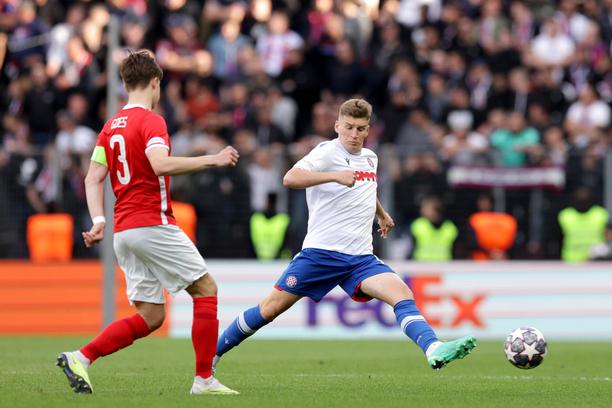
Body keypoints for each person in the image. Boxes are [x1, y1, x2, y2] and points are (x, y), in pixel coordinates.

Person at [213, 99, 476, 374]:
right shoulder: (326, 152)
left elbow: (365, 187)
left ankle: (433, 348)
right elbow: (290, 178)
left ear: (368, 130)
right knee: (269, 309)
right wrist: (333, 176)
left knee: (401, 293)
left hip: (360, 258)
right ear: (337, 125)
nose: (354, 134)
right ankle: (213, 355)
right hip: (321, 254)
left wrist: (381, 214)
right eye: (348, 127)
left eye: (360, 128)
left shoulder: (370, 158)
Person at [55, 50, 240, 396]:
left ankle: (81, 356)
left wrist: (98, 219)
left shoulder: (109, 127)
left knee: (152, 315)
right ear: (156, 83)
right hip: (151, 223)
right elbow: (159, 163)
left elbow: (93, 178)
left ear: (124, 84)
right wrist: (212, 159)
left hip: (124, 231)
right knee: (206, 289)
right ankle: (204, 379)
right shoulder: (152, 121)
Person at [409, 196, 458, 261]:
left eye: (425, 208)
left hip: (444, 266)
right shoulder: (418, 224)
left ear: (435, 210)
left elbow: (455, 250)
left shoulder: (449, 227)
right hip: (421, 265)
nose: (421, 210)